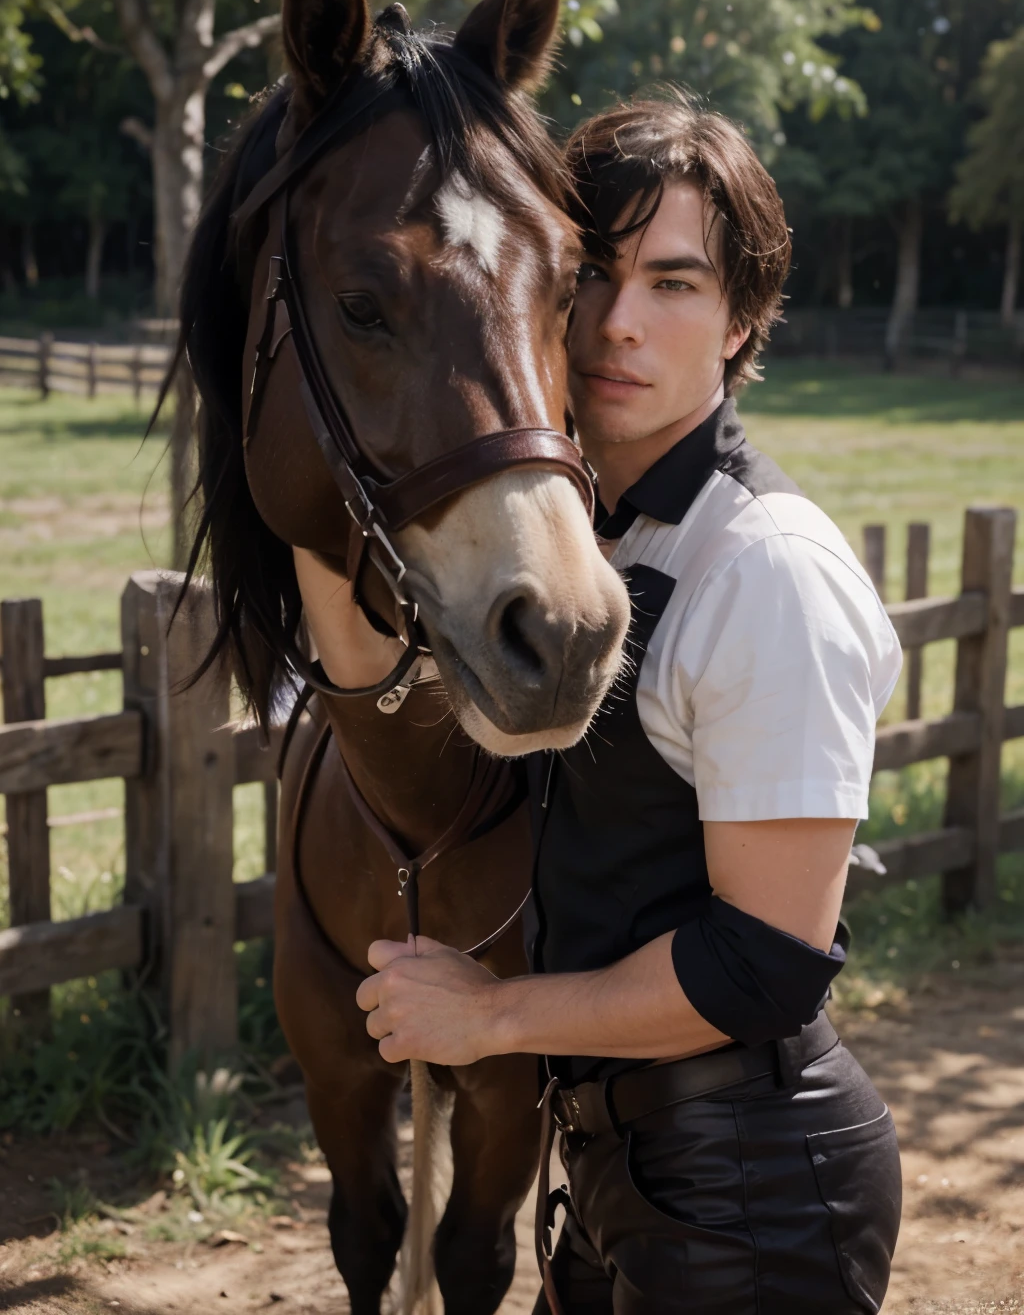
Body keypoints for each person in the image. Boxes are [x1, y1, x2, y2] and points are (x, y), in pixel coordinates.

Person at [355, 95, 904, 1314]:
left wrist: (491, 1016)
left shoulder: (763, 567)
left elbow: (762, 967)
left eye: (675, 284)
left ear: (743, 318)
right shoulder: (583, 543)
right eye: (592, 274)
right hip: (616, 1168)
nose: (616, 324)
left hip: (752, 1193)